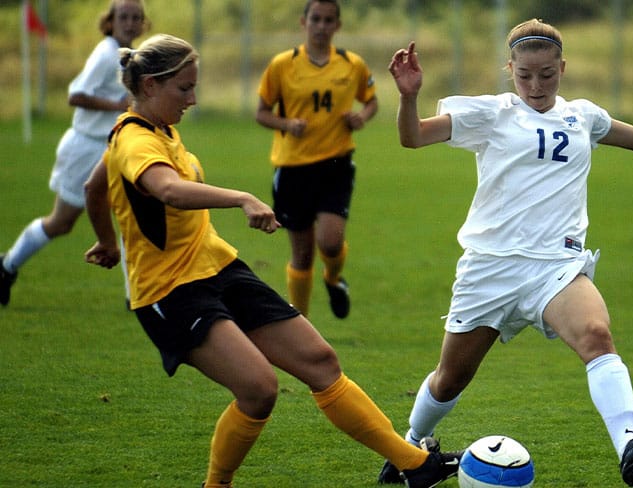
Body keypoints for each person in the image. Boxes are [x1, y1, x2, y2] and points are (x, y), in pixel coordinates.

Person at [83, 33, 461, 488]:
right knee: (258, 390)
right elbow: (167, 190)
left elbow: (93, 187)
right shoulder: (133, 139)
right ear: (148, 86)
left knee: (320, 361)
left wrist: (107, 241)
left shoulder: (158, 129)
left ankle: (415, 467)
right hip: (170, 290)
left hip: (218, 267)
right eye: (184, 88)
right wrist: (241, 197)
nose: (194, 98)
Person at [379, 19, 633, 488]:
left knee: (597, 335)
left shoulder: (583, 116)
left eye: (546, 74)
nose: (536, 85)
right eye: (524, 75)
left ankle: (628, 448)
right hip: (490, 267)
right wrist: (409, 95)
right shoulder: (490, 114)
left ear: (562, 67)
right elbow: (412, 136)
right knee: (450, 379)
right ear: (509, 69)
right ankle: (410, 445)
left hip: (555, 267)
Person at [0, 0, 148, 307]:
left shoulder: (131, 56)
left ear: (144, 22)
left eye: (136, 17)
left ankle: (135, 296)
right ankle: (6, 266)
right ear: (111, 21)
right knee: (61, 222)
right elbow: (75, 95)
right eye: (124, 17)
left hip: (114, 147)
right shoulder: (107, 53)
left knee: (130, 215)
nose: (130, 23)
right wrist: (117, 105)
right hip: (85, 147)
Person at [255, 0, 378, 319]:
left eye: (328, 20)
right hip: (293, 167)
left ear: (337, 25)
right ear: (304, 22)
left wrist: (361, 117)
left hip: (335, 164)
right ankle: (302, 323)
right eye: (316, 19)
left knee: (331, 242)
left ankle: (334, 278)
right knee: (303, 253)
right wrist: (286, 124)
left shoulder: (352, 64)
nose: (321, 26)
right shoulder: (283, 65)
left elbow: (371, 101)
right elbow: (261, 113)